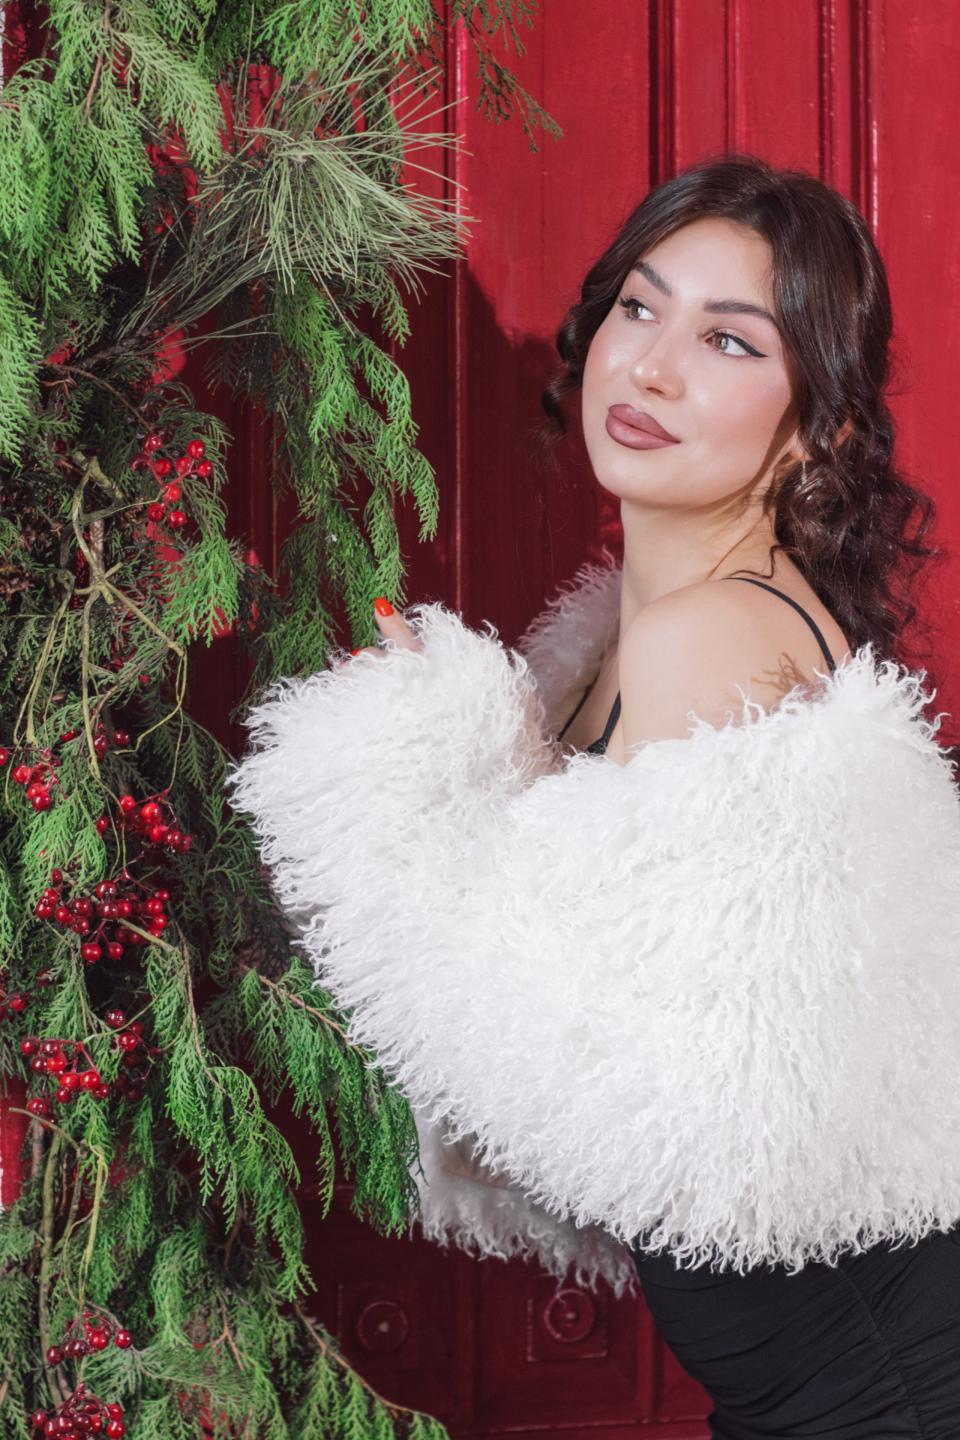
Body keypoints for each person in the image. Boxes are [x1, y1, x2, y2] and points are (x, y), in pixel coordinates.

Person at [226, 155, 960, 1437]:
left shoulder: (707, 639)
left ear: (814, 426)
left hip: (879, 1387)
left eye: (728, 341)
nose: (653, 367)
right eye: (639, 307)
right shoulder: (626, 634)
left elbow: (601, 1081)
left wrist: (382, 786)